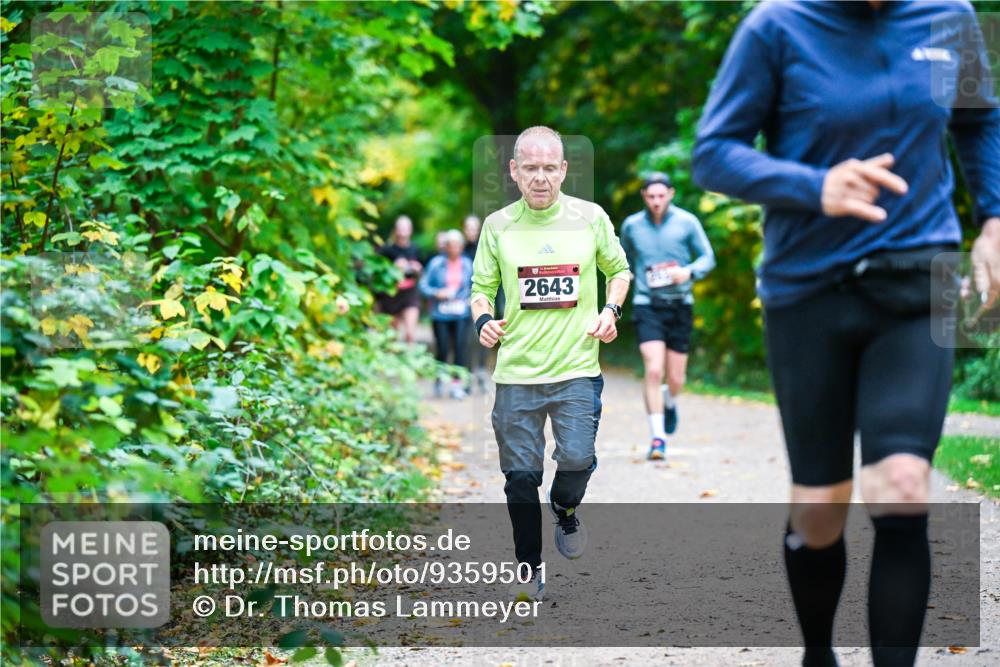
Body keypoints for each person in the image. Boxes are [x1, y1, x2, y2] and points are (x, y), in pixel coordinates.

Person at [692, 2, 1000, 666]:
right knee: (819, 509)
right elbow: (713, 155)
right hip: (807, 289)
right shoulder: (775, 26)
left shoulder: (952, 16)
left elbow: (980, 122)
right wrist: (814, 185)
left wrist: (995, 219)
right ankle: (817, 652)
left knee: (903, 485)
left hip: (922, 276)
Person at [471, 126, 631, 601]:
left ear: (563, 170)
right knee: (520, 479)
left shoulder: (590, 218)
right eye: (530, 169)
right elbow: (480, 289)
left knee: (578, 458)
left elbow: (618, 271)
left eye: (549, 169)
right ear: (514, 172)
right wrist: (483, 318)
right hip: (518, 372)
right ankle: (528, 568)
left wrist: (611, 310)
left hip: (577, 368)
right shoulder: (498, 226)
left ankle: (564, 507)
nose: (540, 178)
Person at [620, 172, 715, 460]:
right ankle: (658, 438)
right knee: (652, 369)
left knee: (675, 377)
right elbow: (621, 261)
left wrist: (688, 272)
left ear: (671, 194)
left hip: (680, 304)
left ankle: (670, 401)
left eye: (661, 196)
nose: (656, 201)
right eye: (651, 196)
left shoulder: (687, 222)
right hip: (647, 304)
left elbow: (708, 257)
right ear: (644, 197)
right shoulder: (632, 226)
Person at [420, 229, 474, 399]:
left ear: (461, 246)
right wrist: (437, 293)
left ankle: (456, 385)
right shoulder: (436, 263)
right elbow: (423, 286)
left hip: (461, 312)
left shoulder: (468, 264)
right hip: (440, 313)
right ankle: (439, 380)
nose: (453, 248)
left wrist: (470, 299)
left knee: (460, 347)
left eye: (457, 245)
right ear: (445, 246)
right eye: (450, 245)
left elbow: (478, 284)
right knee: (443, 348)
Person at [377, 215, 423, 343]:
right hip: (391, 294)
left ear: (411, 230)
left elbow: (422, 275)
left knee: (410, 334)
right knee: (392, 336)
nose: (403, 231)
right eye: (400, 228)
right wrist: (394, 268)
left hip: (410, 293)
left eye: (406, 228)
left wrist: (417, 269)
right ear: (396, 230)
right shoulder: (387, 250)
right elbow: (378, 273)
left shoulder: (416, 249)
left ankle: (411, 360)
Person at [461, 215, 490, 393]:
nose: (472, 231)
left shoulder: (485, 248)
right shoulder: (459, 249)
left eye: (475, 228)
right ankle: (467, 376)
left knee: (483, 336)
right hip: (462, 301)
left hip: (482, 300)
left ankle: (480, 371)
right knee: (465, 340)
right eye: (468, 228)